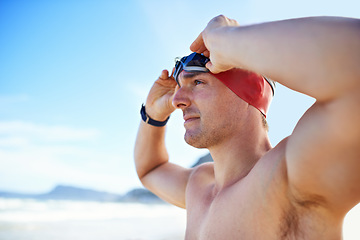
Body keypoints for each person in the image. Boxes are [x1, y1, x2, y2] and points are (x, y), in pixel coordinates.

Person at [134, 15, 360, 239]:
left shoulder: (291, 177)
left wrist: (226, 39)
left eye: (197, 82)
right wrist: (153, 115)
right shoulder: (199, 186)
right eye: (179, 87)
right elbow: (149, 169)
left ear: (251, 93)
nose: (176, 101)